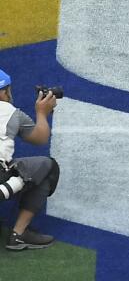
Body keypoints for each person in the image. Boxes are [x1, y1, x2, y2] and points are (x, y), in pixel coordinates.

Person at [0, 70, 60, 251]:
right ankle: (19, 234)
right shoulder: (10, 112)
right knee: (47, 167)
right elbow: (40, 138)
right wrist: (42, 113)